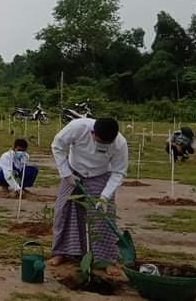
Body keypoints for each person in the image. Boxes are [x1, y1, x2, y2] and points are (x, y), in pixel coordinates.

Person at [48, 117, 128, 275]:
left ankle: (106, 260)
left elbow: (119, 172)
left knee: (102, 216)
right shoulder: (78, 127)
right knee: (64, 211)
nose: (103, 146)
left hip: (100, 175)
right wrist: (66, 173)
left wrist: (105, 196)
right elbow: (58, 145)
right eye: (100, 141)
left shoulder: (120, 144)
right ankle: (61, 252)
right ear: (93, 133)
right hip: (73, 171)